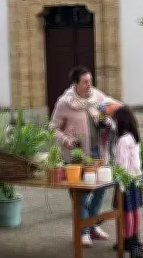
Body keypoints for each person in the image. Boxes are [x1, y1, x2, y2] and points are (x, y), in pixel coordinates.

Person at [50, 66, 117, 248]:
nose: (90, 85)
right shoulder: (65, 102)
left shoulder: (99, 97)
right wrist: (65, 140)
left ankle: (93, 226)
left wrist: (108, 123)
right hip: (77, 156)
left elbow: (111, 117)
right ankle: (84, 232)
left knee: (101, 189)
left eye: (90, 81)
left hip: (99, 153)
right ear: (75, 84)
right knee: (80, 195)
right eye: (85, 82)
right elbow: (53, 128)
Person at [112, 106, 143, 252]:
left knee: (126, 211)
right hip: (136, 178)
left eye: (115, 121)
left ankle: (127, 240)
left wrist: (120, 185)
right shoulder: (133, 136)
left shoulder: (123, 140)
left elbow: (121, 164)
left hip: (126, 180)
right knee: (135, 209)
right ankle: (135, 238)